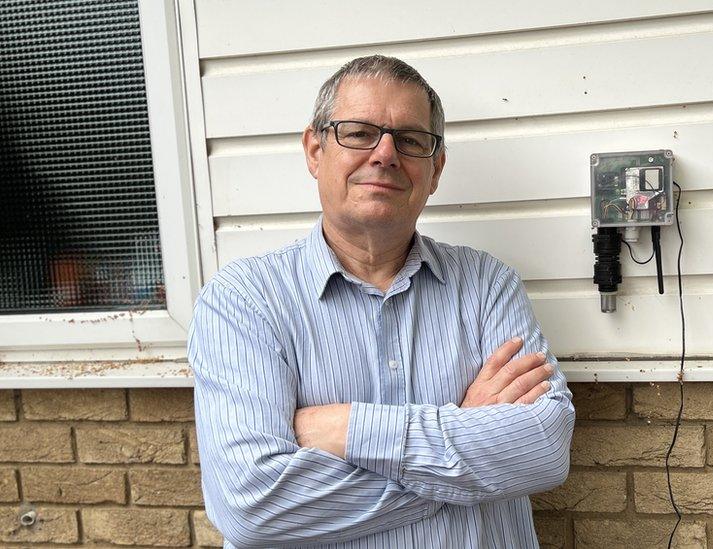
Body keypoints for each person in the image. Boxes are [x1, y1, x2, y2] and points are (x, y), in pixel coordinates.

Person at [188, 55, 574, 548]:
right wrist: (468, 450)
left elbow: (544, 448)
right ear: (314, 150)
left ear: (435, 170)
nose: (386, 154)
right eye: (358, 132)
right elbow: (251, 507)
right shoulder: (244, 301)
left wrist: (348, 428)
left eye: (411, 140)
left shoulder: (487, 285)